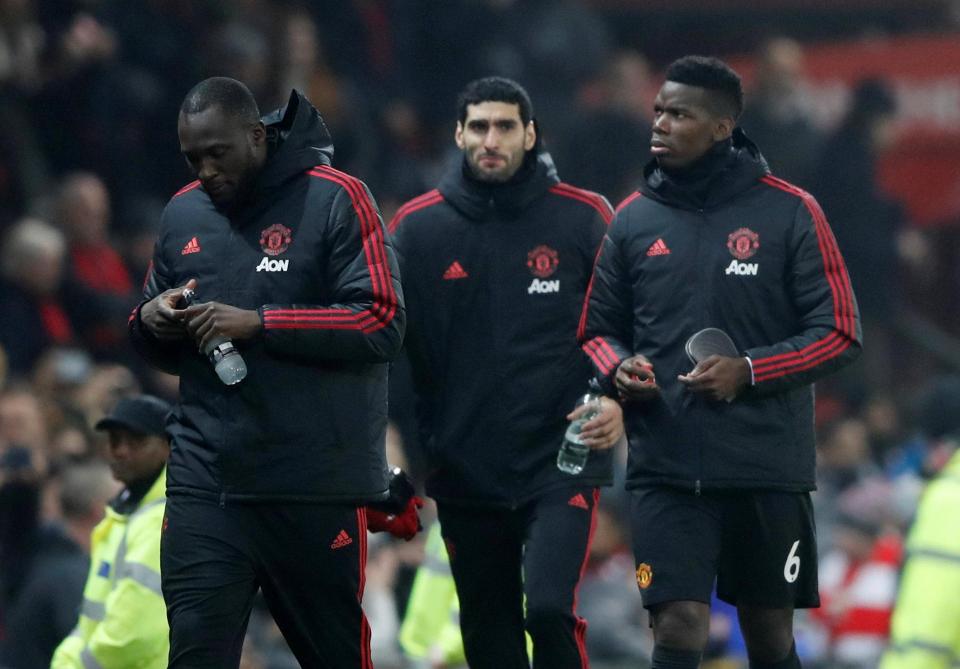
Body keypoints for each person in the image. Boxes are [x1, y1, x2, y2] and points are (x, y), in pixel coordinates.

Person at [578, 56, 862, 669]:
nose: (660, 123)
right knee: (677, 626)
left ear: (721, 127)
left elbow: (839, 331)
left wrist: (750, 371)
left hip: (765, 468)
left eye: (679, 114)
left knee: (767, 636)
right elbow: (597, 332)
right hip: (664, 469)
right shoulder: (631, 220)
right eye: (658, 110)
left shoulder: (791, 212)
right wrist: (621, 369)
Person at [127, 77, 404, 667]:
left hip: (311, 487)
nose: (203, 170)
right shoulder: (181, 214)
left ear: (257, 136)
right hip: (209, 485)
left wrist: (260, 322)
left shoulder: (336, 198)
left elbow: (380, 321)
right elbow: (156, 344)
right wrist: (149, 320)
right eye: (192, 157)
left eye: (217, 152)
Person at [390, 76, 623, 669]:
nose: (491, 139)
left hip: (562, 456)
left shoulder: (583, 217)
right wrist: (396, 442)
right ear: (459, 134)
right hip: (464, 465)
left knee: (547, 609)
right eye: (479, 127)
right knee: (490, 638)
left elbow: (628, 323)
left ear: (530, 134)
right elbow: (388, 344)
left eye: (505, 126)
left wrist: (619, 398)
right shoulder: (417, 230)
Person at [50, 394, 172, 669]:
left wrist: (74, 665)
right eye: (115, 440)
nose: (121, 450)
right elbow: (92, 621)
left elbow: (132, 634)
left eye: (137, 440)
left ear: (169, 447)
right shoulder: (126, 514)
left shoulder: (162, 520)